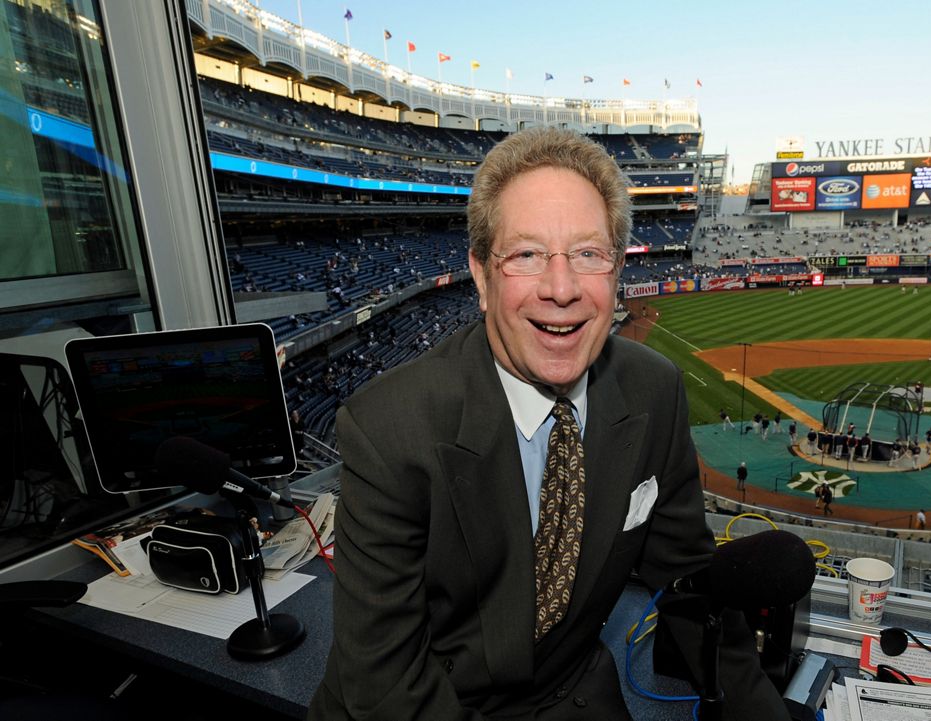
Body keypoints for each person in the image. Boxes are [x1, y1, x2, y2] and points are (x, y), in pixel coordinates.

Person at [310, 128, 786, 720]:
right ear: (482, 277)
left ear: (616, 274)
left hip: (570, 694)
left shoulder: (654, 390)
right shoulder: (391, 429)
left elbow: (689, 583)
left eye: (588, 254)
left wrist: (759, 711)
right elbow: (385, 687)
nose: (561, 290)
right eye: (527, 255)